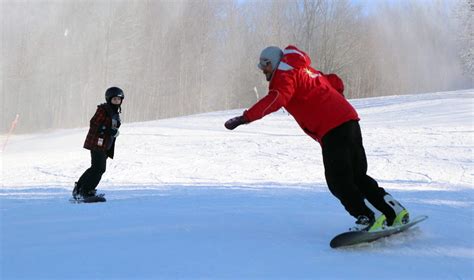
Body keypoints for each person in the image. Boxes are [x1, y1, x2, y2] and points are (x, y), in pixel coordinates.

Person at [224, 45, 409, 231]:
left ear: (273, 62)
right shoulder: (306, 70)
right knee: (357, 176)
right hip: (350, 121)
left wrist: (245, 118)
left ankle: (371, 218)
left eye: (265, 64)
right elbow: (335, 82)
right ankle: (395, 212)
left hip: (332, 128)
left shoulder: (285, 75)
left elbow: (277, 98)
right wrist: (334, 101)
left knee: (338, 181)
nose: (262, 69)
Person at [72, 87, 124, 203]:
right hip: (97, 143)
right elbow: (94, 123)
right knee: (99, 168)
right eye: (114, 99)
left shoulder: (115, 112)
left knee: (95, 168)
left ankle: (79, 189)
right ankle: (86, 191)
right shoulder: (103, 109)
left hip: (105, 145)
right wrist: (109, 130)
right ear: (109, 99)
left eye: (118, 99)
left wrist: (113, 132)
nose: (116, 101)